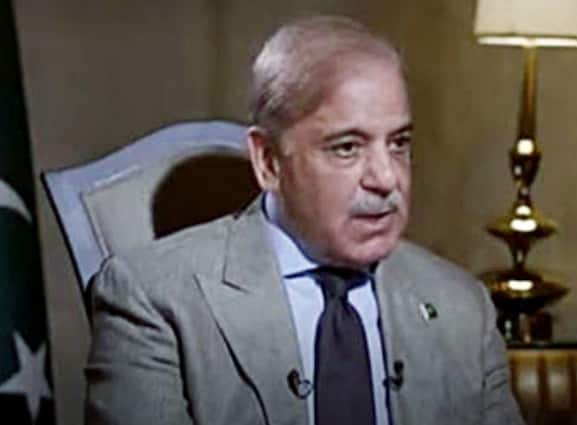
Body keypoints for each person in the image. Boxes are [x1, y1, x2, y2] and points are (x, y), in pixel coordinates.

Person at [85, 15, 524, 425]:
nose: (387, 178)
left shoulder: (463, 307)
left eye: (399, 143)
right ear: (268, 161)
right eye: (347, 147)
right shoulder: (154, 299)